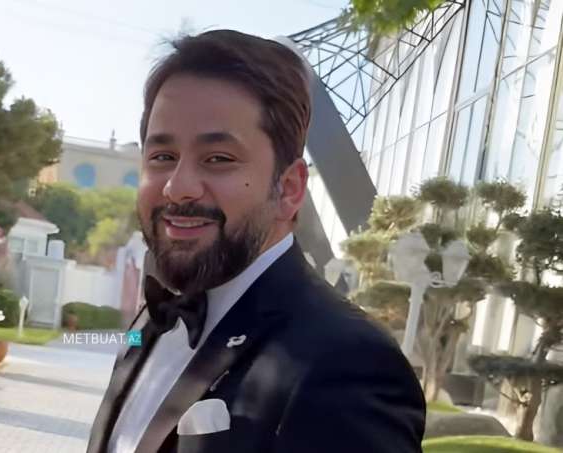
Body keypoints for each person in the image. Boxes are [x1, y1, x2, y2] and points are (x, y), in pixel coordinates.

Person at [87, 29, 425, 453]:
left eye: (218, 159)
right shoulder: (152, 319)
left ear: (289, 189)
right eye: (163, 157)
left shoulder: (349, 365)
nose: (177, 187)